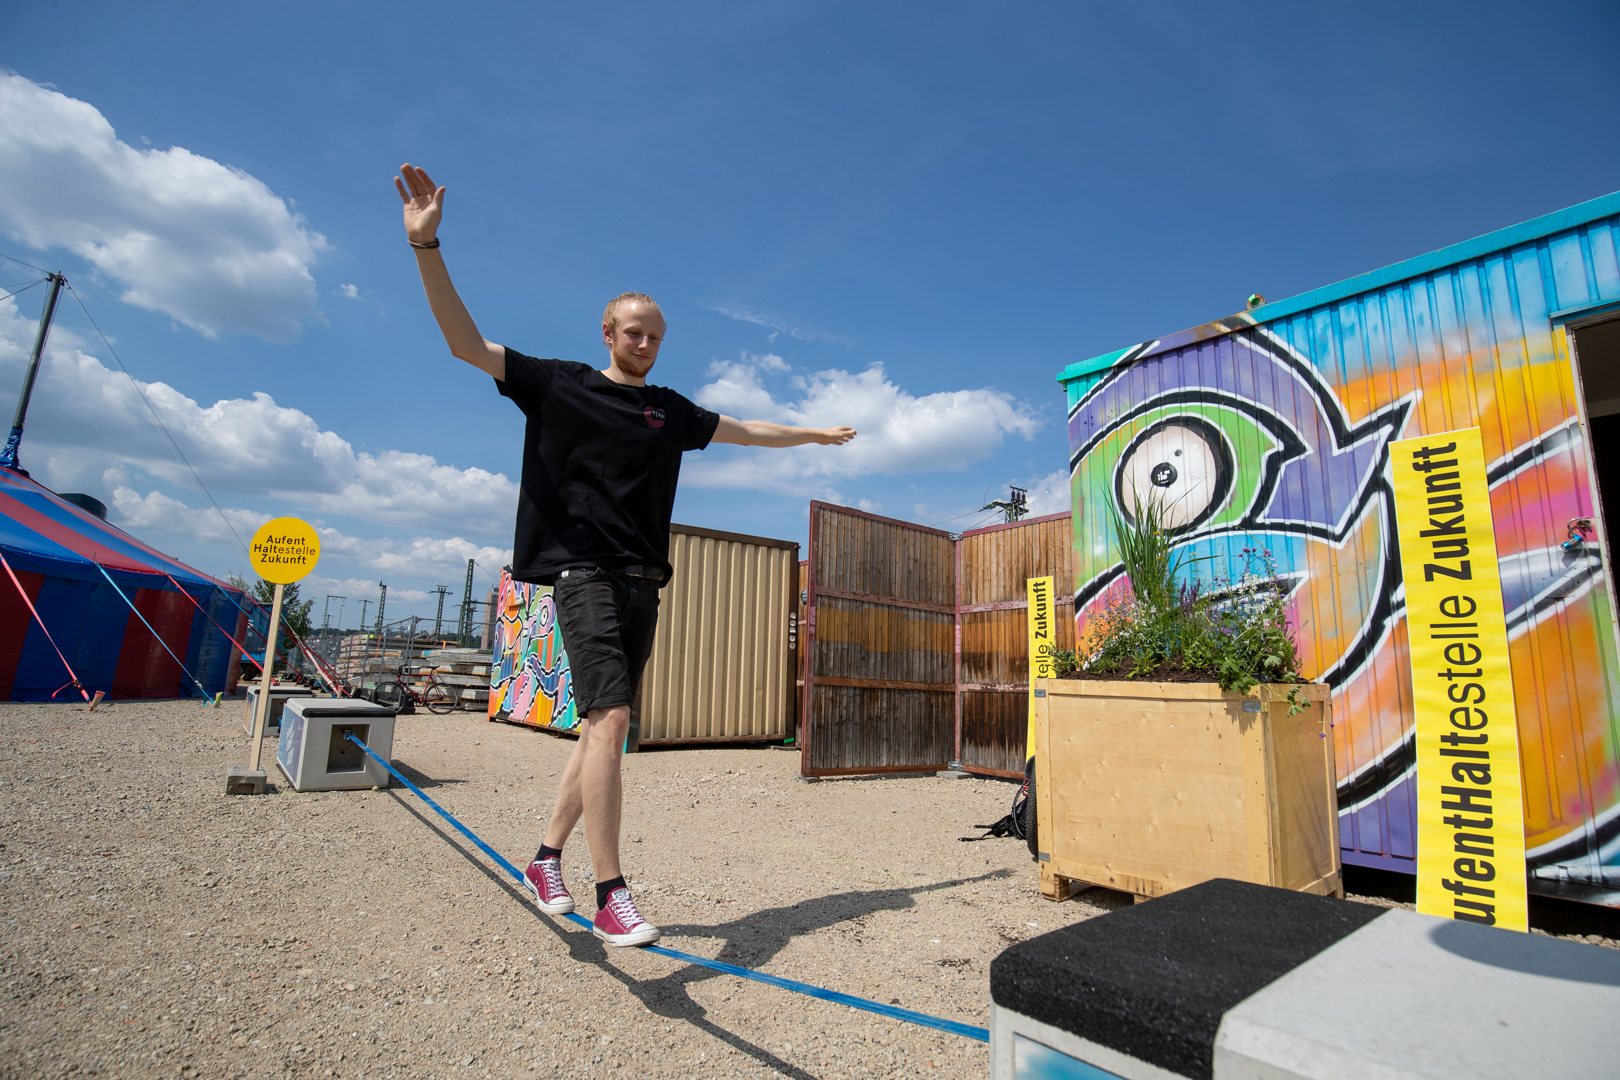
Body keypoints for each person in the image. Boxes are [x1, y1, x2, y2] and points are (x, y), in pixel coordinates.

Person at [395, 163, 856, 947]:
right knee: (609, 718)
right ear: (607, 332)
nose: (645, 344)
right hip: (581, 570)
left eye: (656, 337)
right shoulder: (559, 384)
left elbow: (746, 430)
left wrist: (815, 433)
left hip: (646, 579)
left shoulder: (667, 411)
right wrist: (428, 245)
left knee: (603, 727)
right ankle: (612, 891)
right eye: (633, 332)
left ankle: (546, 858)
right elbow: (464, 343)